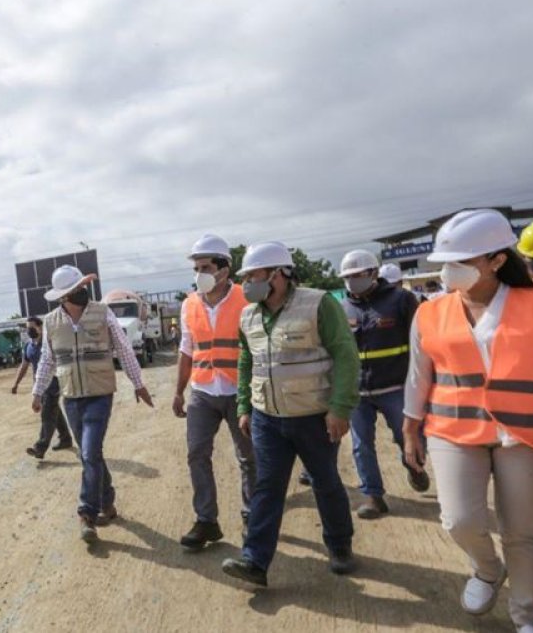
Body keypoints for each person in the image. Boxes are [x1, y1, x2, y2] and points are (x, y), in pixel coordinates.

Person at [401, 209, 533, 632]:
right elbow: (418, 375)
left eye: (463, 262)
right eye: (446, 263)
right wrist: (410, 428)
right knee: (459, 520)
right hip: (453, 431)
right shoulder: (430, 312)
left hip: (525, 433)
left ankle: (528, 617)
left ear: (497, 260)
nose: (450, 271)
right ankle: (487, 569)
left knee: (522, 532)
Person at [220, 241, 360, 587]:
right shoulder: (248, 315)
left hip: (314, 416)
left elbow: (345, 355)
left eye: (254, 275)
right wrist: (243, 406)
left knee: (325, 482)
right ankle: (255, 560)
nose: (248, 282)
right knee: (267, 486)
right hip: (267, 417)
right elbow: (246, 361)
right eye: (247, 276)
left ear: (279, 274)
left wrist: (340, 407)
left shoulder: (318, 304)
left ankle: (340, 545)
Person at [32, 265, 155, 543]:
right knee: (92, 454)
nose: (81, 294)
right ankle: (108, 502)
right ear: (63, 297)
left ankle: (87, 513)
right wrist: (37, 392)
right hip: (71, 397)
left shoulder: (103, 312)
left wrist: (139, 384)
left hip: (100, 395)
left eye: (81, 288)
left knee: (88, 452)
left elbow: (123, 348)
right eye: (74, 292)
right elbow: (47, 360)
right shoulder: (51, 322)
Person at [172, 234, 255, 551]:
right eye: (196, 267)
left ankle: (252, 520)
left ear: (224, 268)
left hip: (239, 393)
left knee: (249, 459)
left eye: (205, 266)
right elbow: (186, 350)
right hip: (203, 392)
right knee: (196, 455)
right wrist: (179, 392)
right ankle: (206, 521)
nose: (199, 273)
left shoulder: (246, 300)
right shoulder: (189, 304)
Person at [338, 249, 430, 520]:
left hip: (395, 387)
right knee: (360, 444)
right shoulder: (342, 308)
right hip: (358, 391)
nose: (352, 281)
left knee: (407, 437)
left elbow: (420, 342)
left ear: (373, 274)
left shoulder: (401, 300)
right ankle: (373, 496)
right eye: (347, 277)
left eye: (358, 275)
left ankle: (414, 466)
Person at [11, 317, 73, 459]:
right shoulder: (28, 347)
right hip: (39, 386)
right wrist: (16, 383)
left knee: (47, 415)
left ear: (40, 327)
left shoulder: (50, 343)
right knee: (53, 412)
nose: (29, 331)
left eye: (32, 327)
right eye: (27, 328)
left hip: (54, 383)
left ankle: (40, 447)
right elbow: (24, 366)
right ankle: (65, 438)